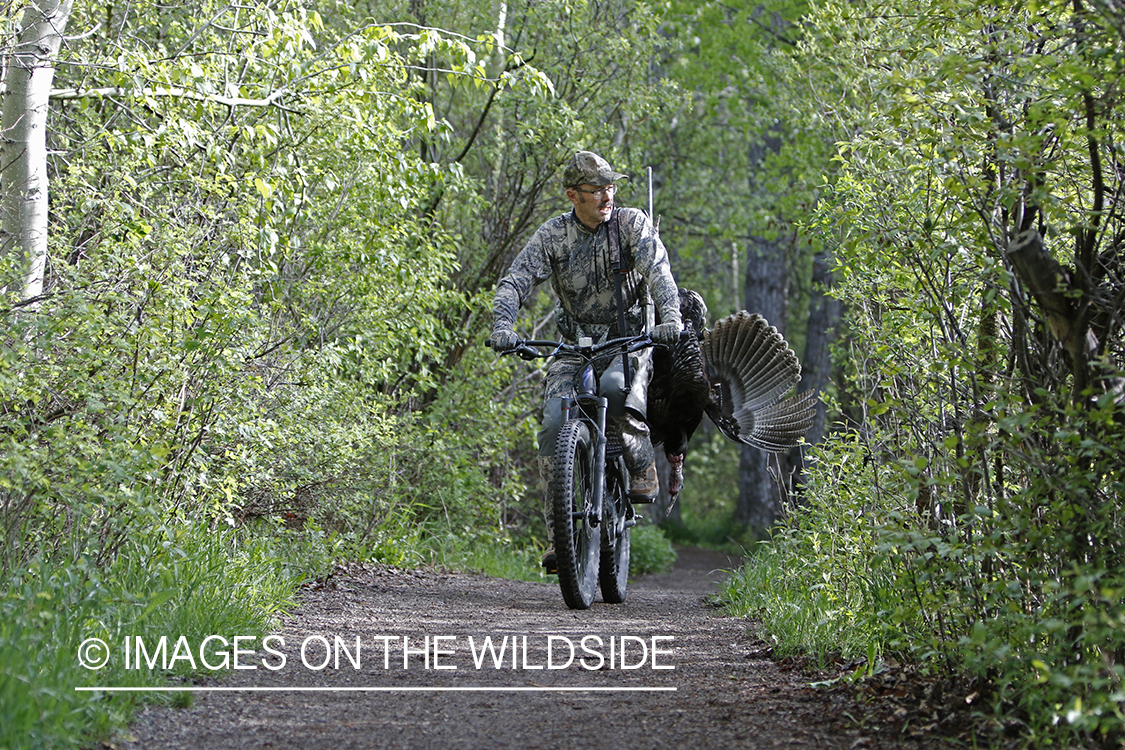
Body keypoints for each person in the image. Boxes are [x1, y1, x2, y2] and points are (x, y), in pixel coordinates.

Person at [490, 150, 683, 570]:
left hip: (629, 340)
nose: (606, 196)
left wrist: (669, 319)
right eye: (596, 191)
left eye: (610, 187)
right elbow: (515, 280)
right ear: (572, 195)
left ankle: (640, 462)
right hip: (573, 346)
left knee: (616, 389)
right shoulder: (554, 235)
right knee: (555, 423)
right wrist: (503, 326)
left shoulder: (632, 225)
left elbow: (660, 274)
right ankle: (562, 536)